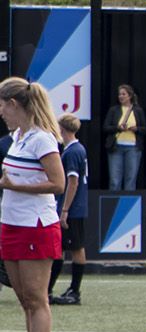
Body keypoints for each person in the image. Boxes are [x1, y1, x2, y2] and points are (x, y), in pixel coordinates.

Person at [0, 78, 66, 332]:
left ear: (15, 104)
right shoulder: (18, 137)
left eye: (3, 104)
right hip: (11, 222)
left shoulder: (42, 139)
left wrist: (15, 187)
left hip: (35, 224)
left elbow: (58, 184)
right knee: (25, 300)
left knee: (37, 299)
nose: (1, 111)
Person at [48, 115, 89, 306]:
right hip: (74, 207)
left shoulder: (72, 151)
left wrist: (64, 209)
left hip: (73, 208)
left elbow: (73, 181)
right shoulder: (75, 149)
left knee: (75, 248)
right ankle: (49, 289)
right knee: (60, 249)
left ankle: (74, 291)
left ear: (62, 128)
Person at [102, 84, 146, 191]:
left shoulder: (138, 110)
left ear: (130, 96)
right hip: (116, 147)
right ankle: (113, 204)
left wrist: (136, 129)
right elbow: (106, 127)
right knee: (114, 180)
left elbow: (144, 128)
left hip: (133, 148)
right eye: (119, 94)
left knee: (130, 179)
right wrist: (118, 128)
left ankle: (128, 206)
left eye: (123, 94)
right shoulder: (114, 110)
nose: (121, 96)